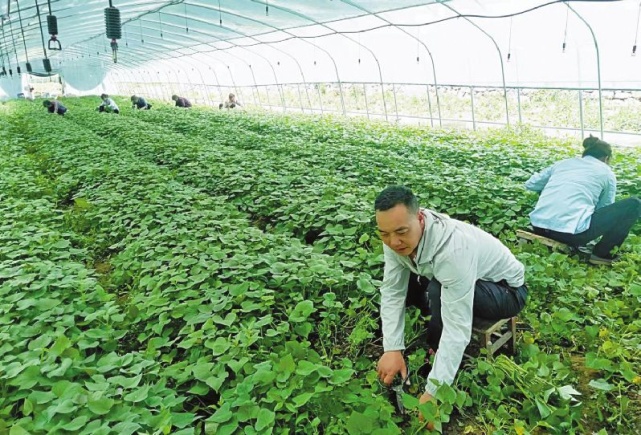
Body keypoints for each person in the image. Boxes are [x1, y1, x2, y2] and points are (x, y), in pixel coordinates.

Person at [374, 186, 528, 424]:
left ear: (421, 218)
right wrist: (392, 347)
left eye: (401, 232)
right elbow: (393, 291)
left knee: (438, 289)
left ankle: (436, 350)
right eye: (384, 234)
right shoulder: (395, 237)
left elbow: (457, 327)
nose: (394, 242)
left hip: (507, 291)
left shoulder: (453, 249)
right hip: (467, 277)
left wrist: (434, 391)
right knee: (412, 286)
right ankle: (431, 323)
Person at [525, 136, 641, 265]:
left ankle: (550, 218)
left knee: (548, 186)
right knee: (633, 204)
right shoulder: (607, 173)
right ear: (606, 158)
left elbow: (531, 184)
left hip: (538, 226)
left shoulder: (563, 163)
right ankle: (602, 254)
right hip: (570, 235)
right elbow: (604, 208)